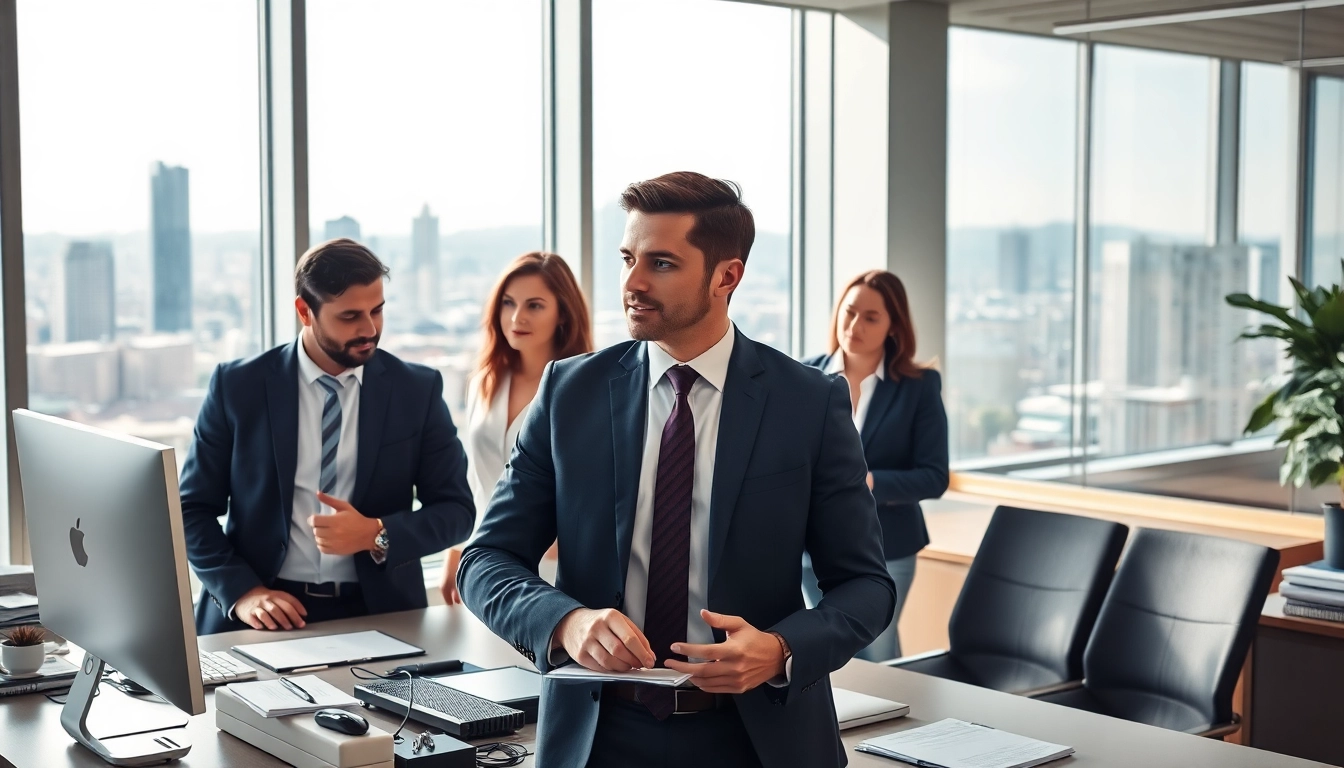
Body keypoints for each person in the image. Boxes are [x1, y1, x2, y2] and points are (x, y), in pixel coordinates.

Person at [459, 172, 895, 768]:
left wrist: (780, 649)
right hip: (596, 736)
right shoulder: (569, 393)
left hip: (757, 740)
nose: (632, 283)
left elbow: (867, 586)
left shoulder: (809, 403)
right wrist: (566, 622)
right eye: (627, 259)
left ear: (727, 276)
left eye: (660, 263)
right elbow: (486, 561)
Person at [180, 238, 475, 635]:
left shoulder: (416, 390)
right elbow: (190, 510)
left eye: (377, 310)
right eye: (350, 316)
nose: (369, 329)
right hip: (260, 614)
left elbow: (457, 511)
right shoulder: (238, 386)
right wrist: (244, 592)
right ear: (305, 311)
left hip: (380, 615)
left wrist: (377, 533)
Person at [801, 270, 949, 661]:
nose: (854, 326)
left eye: (871, 317)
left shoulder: (919, 386)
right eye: (849, 312)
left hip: (888, 546)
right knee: (829, 653)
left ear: (893, 325)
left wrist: (865, 481)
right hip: (810, 548)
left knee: (875, 650)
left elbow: (934, 476)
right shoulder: (803, 376)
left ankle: (901, 720)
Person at [438, 251, 593, 605]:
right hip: (487, 558)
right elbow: (475, 479)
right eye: (508, 303)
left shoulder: (587, 390)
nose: (517, 317)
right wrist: (458, 547)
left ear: (563, 314)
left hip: (556, 565)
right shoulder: (484, 381)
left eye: (535, 305)